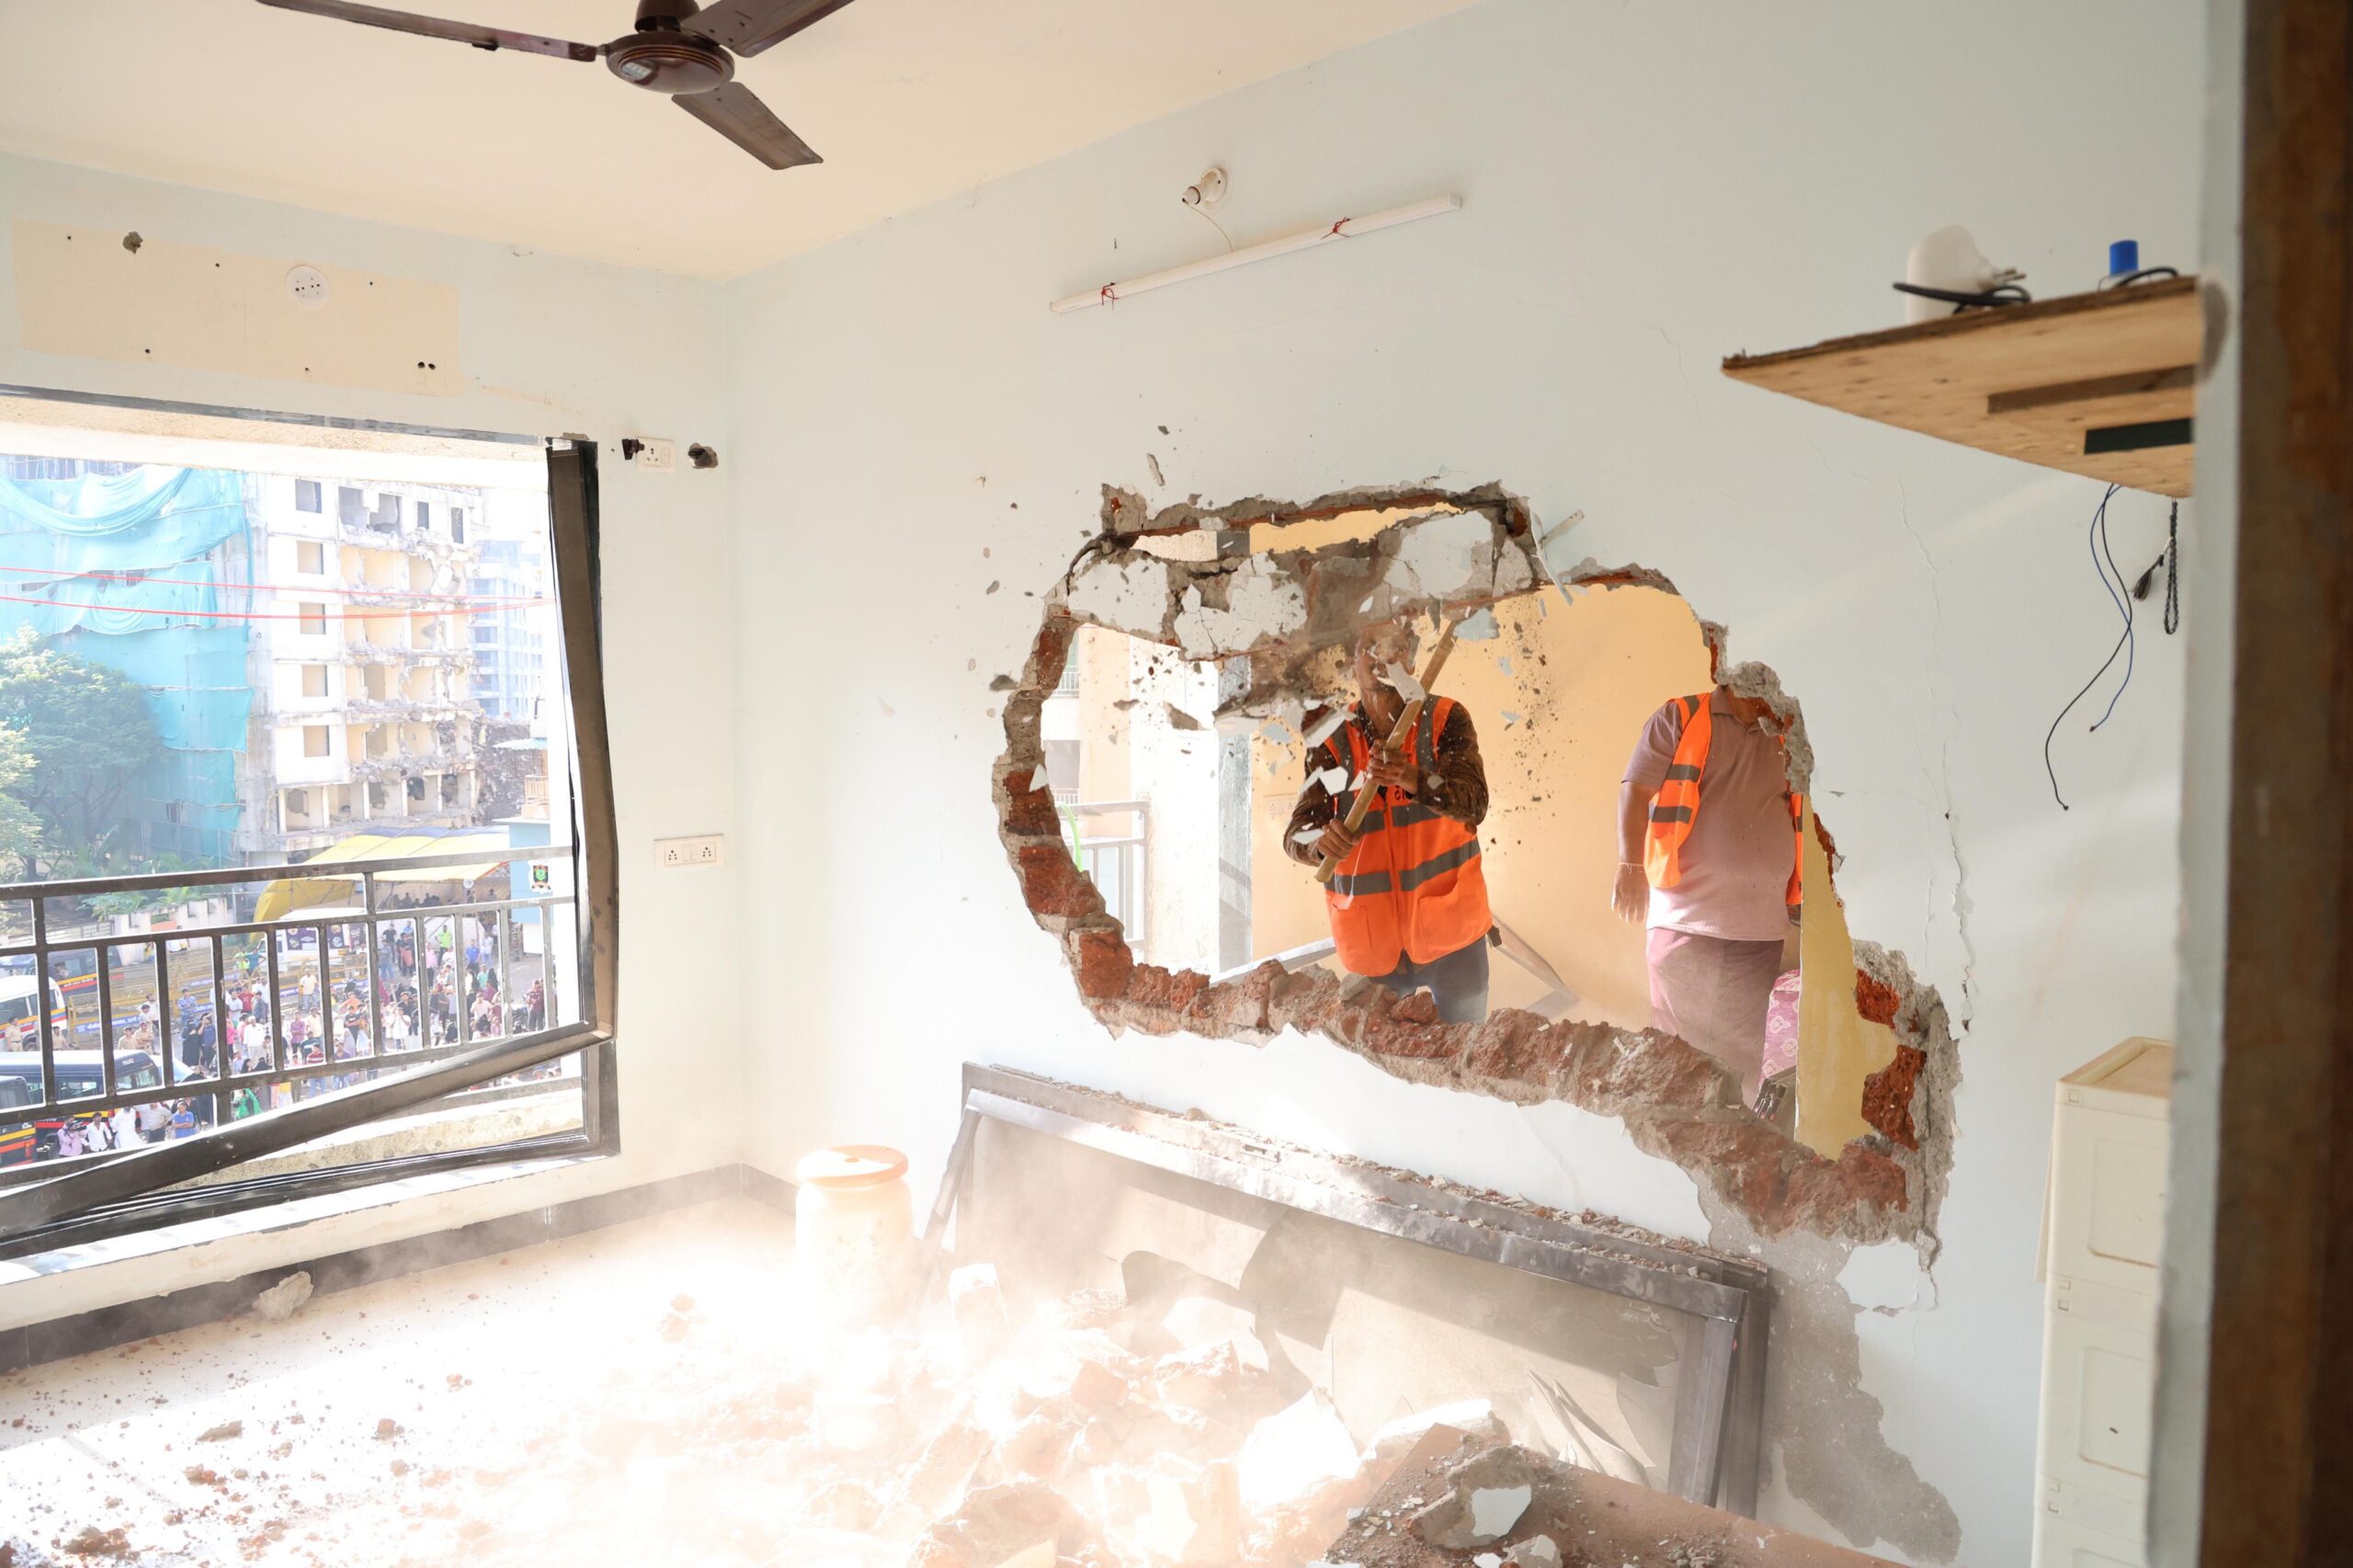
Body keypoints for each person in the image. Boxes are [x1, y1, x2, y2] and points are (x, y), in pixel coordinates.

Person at [1284, 621, 1493, 1024]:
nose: (1380, 656)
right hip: (1370, 945)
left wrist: (1414, 779)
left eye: (1392, 646)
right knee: (1378, 1060)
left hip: (1453, 937)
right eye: (1369, 646)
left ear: (1410, 660)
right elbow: (1298, 831)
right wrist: (1318, 843)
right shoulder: (1331, 737)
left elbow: (1474, 802)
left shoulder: (1446, 718)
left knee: (1465, 1056)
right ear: (1352, 664)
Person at [1614, 681, 1806, 1105]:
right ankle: (1676, 1142)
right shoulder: (1680, 717)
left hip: (1759, 931)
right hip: (1687, 923)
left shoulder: (1788, 730)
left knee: (1742, 1063)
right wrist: (1630, 867)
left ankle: (1735, 1140)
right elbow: (1635, 790)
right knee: (1679, 1060)